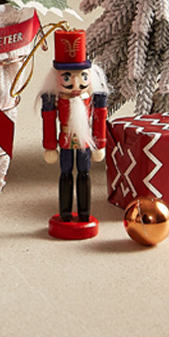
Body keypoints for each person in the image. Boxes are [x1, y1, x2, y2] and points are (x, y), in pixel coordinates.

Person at [40, 28, 109, 238]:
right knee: (66, 175)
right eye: (67, 77)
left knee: (85, 175)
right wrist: (50, 146)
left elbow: (99, 120)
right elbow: (49, 122)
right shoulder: (55, 100)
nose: (75, 84)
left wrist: (100, 143)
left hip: (86, 143)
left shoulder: (93, 100)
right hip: (66, 142)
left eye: (82, 77)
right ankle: (65, 213)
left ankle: (85, 213)